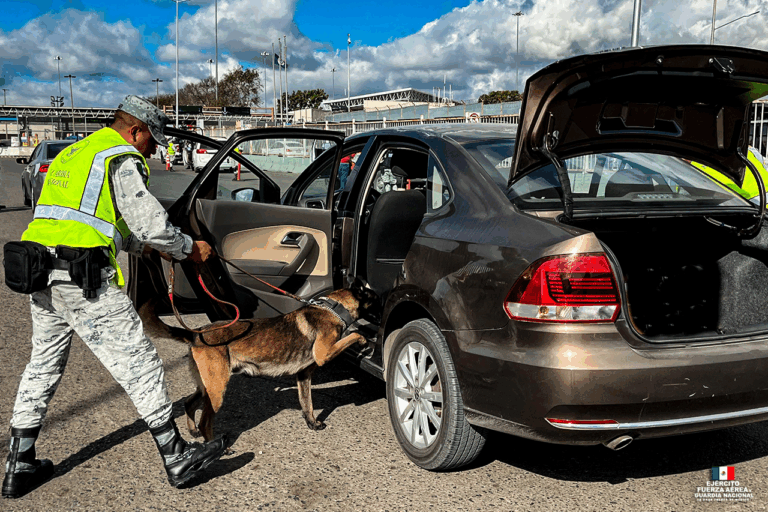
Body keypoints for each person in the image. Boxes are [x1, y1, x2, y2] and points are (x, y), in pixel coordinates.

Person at [2, 95, 227, 498]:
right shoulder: (119, 156)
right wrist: (188, 248)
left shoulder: (75, 153)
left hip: (40, 272)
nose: (154, 151)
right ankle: (176, 455)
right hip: (83, 276)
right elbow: (151, 225)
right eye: (152, 141)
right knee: (140, 363)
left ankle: (19, 463)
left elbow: (96, 220)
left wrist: (148, 247)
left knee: (43, 364)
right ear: (135, 131)